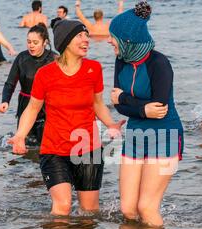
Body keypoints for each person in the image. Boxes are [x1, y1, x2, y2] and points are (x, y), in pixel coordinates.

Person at [8, 20, 125, 216]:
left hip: (88, 149)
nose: (86, 39)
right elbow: (32, 108)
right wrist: (20, 135)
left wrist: (111, 123)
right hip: (54, 149)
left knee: (89, 212)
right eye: (80, 35)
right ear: (66, 41)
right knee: (62, 207)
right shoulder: (45, 74)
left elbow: (97, 103)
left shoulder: (94, 68)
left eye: (87, 35)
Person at [108, 1, 184, 227]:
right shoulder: (121, 60)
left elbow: (158, 109)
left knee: (147, 207)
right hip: (134, 136)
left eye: (113, 37)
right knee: (128, 209)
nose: (109, 41)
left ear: (127, 40)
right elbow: (119, 106)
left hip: (165, 136)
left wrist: (124, 99)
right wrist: (138, 107)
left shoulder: (159, 63)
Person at [0, 23, 56, 145]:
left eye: (35, 42)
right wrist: (5, 101)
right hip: (25, 107)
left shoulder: (54, 59)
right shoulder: (22, 58)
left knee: (45, 146)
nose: (31, 46)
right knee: (23, 144)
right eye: (29, 42)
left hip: (47, 109)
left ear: (44, 42)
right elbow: (10, 83)